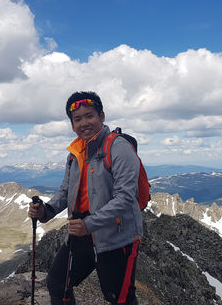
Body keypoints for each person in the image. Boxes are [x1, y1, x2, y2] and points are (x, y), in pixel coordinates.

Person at [28, 91, 143, 305]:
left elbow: (126, 198)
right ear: (72, 125)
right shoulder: (75, 153)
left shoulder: (118, 147)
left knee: (120, 299)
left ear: (102, 116)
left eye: (89, 116)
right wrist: (46, 211)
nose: (84, 123)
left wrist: (89, 224)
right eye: (77, 119)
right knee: (57, 283)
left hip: (116, 239)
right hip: (81, 235)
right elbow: (66, 192)